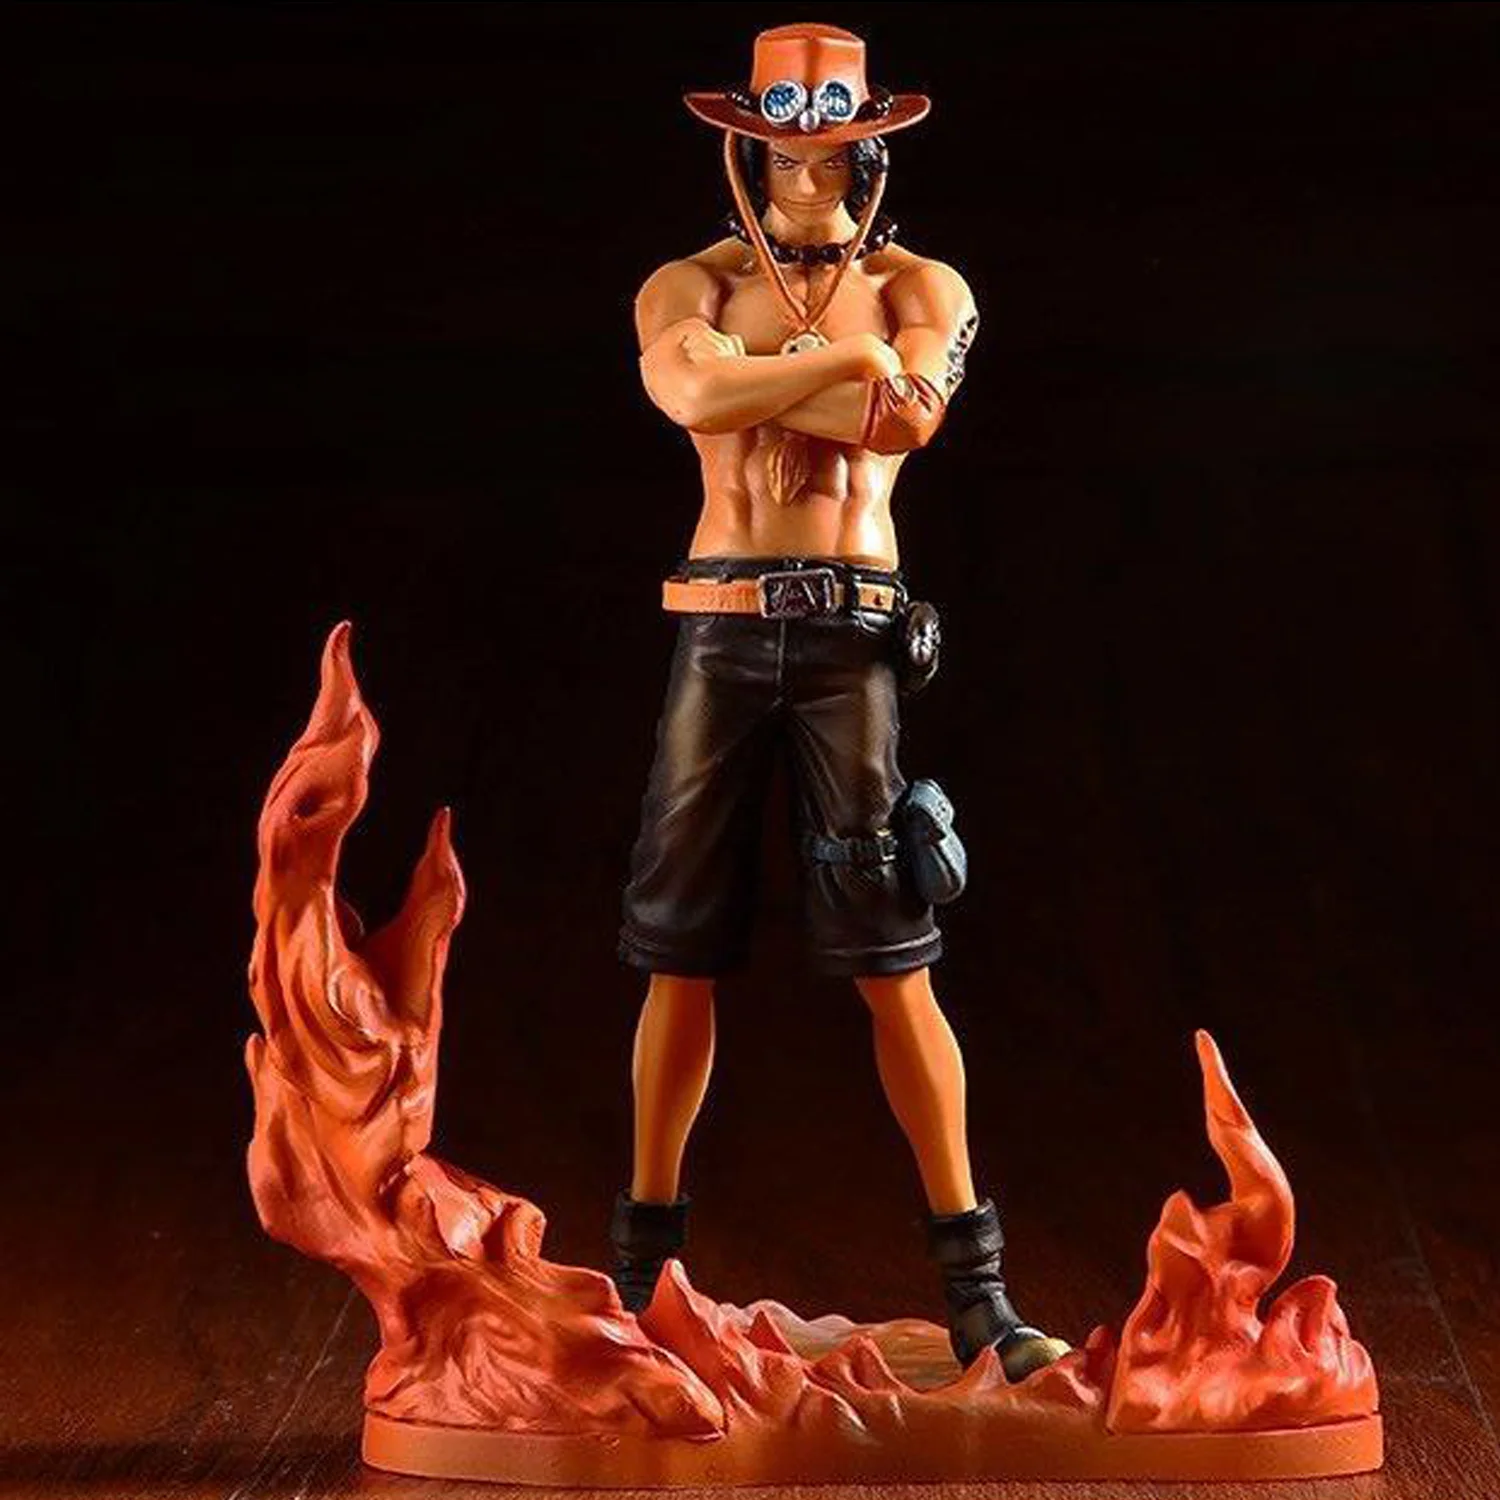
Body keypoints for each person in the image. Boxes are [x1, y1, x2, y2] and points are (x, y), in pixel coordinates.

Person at [610, 23, 1068, 1382]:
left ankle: (979, 1295)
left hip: (855, 639)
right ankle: (641, 1279)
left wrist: (774, 384)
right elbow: (690, 389)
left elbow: (905, 422)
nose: (806, 172)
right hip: (718, 625)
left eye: (829, 146)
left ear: (868, 146)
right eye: (782, 148)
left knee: (894, 950)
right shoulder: (687, 282)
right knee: (676, 944)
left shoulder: (923, 284)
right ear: (747, 145)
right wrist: (850, 367)